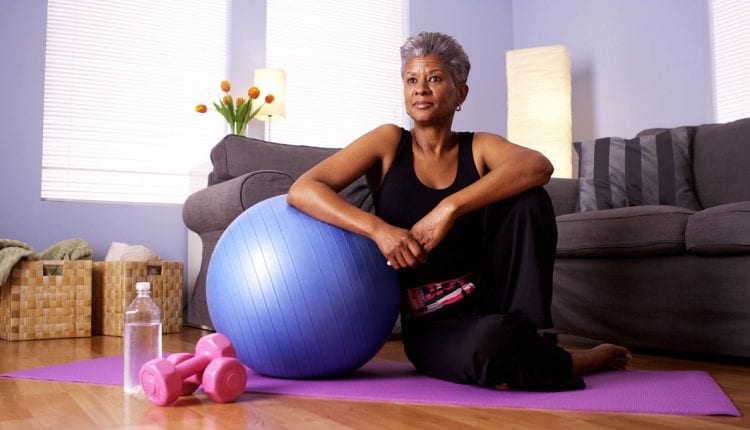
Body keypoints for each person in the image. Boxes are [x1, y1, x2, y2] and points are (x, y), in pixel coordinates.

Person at [287, 31, 631, 391]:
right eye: (411, 79)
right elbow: (304, 189)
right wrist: (378, 229)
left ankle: (537, 340)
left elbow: (538, 165)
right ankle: (576, 360)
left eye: (434, 78)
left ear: (460, 93)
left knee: (528, 199)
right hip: (434, 324)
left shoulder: (479, 146)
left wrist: (449, 207)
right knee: (490, 346)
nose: (421, 89)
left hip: (495, 302)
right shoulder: (388, 143)